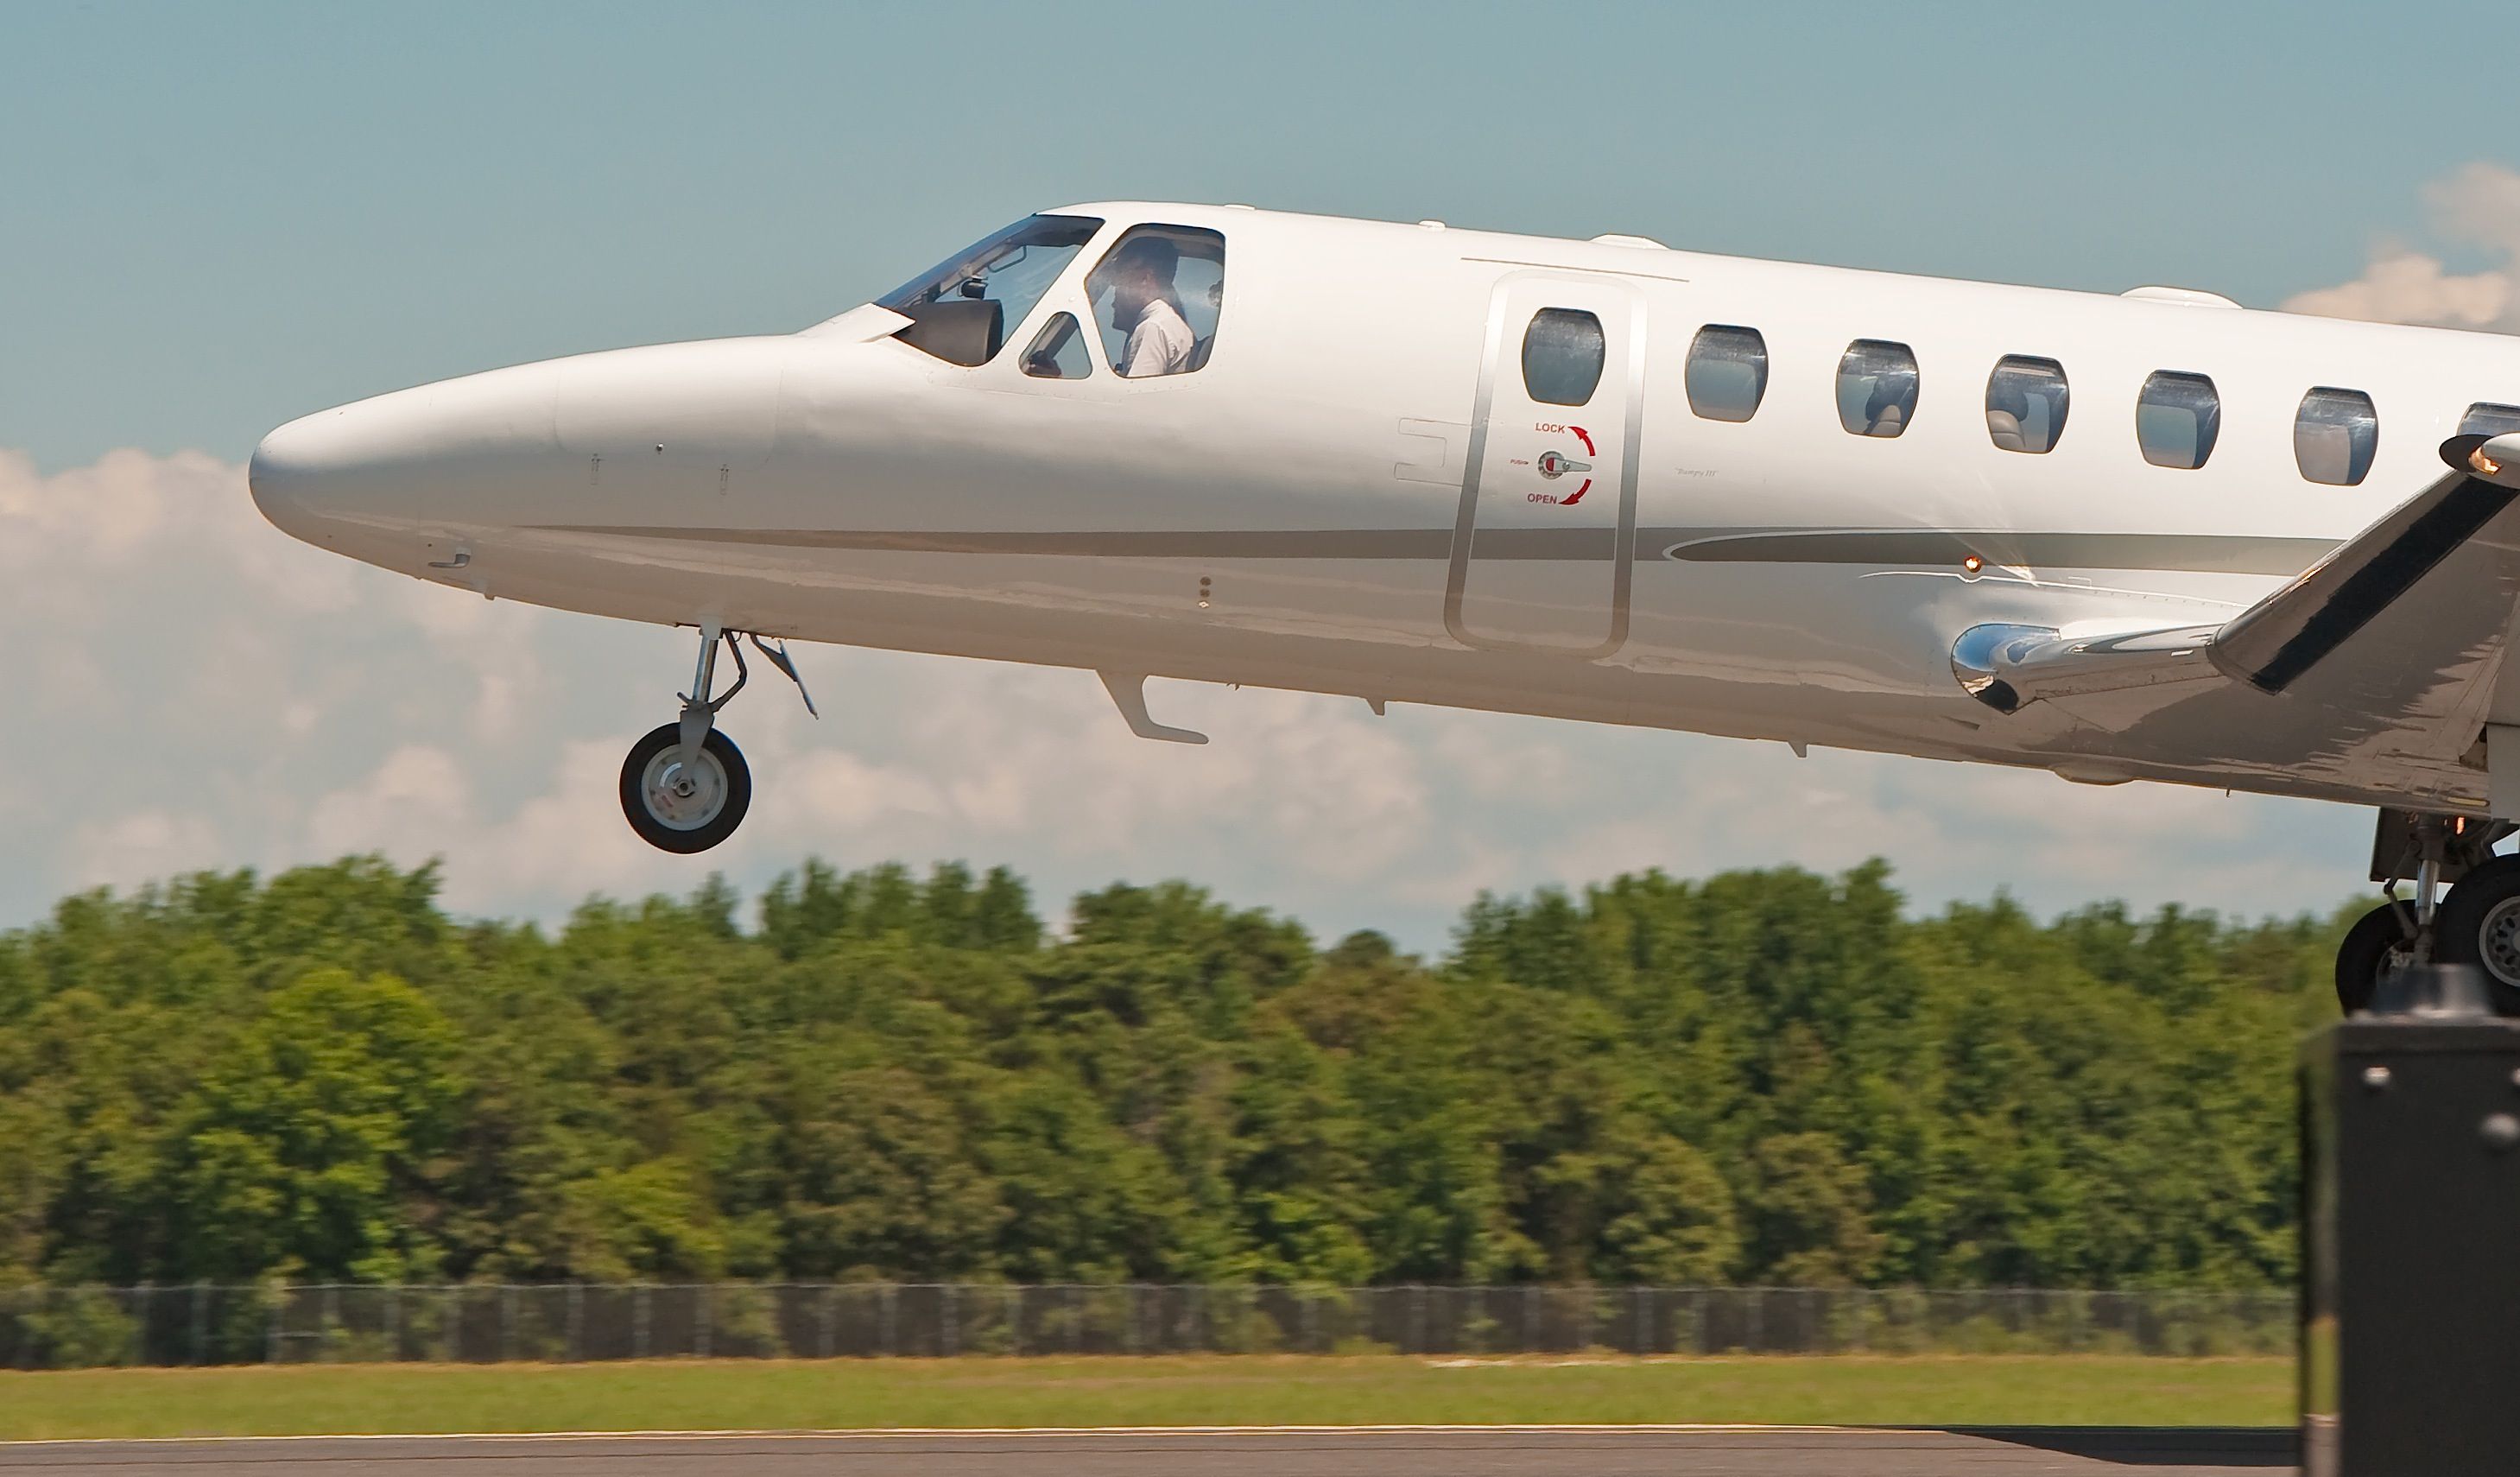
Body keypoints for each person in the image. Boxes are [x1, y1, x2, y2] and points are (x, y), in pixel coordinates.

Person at [1098, 237, 1196, 377]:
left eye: (1121, 276)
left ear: (1145, 278)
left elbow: (1134, 394)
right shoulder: (1164, 321)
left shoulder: (1153, 328)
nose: (1116, 286)